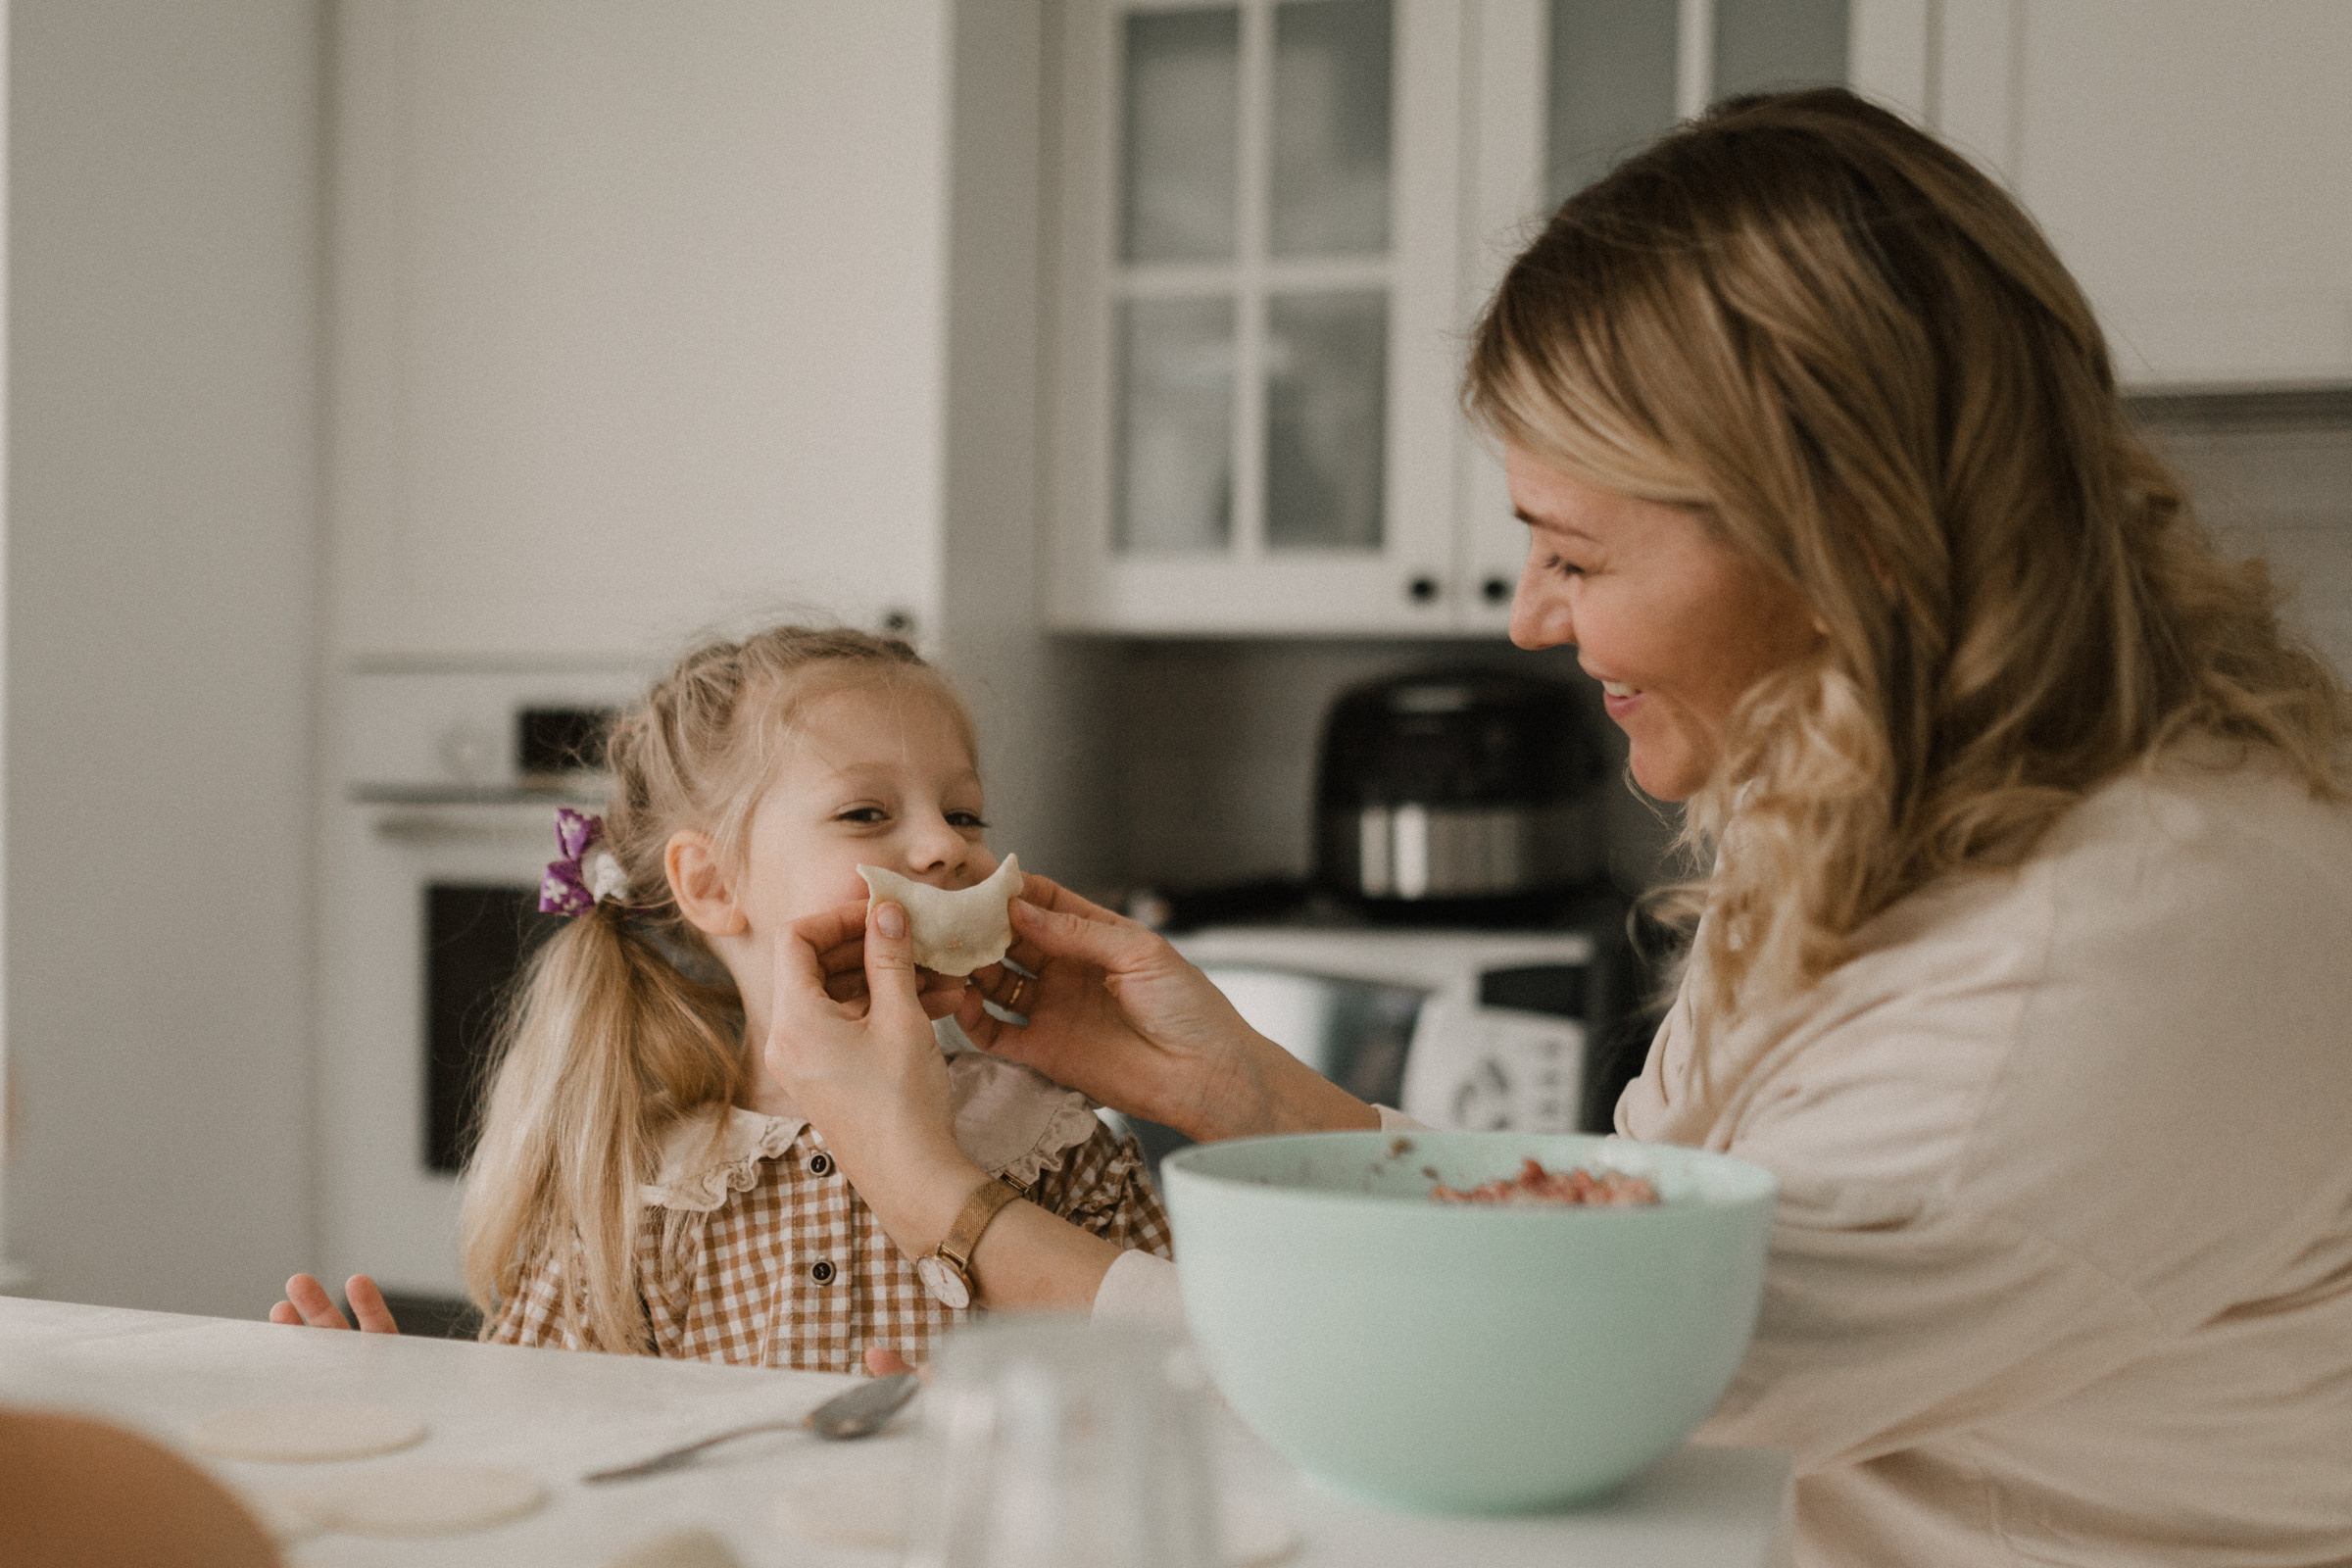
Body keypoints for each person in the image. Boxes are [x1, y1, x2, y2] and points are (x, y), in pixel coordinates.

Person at [760, 91, 2352, 1566]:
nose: (1526, 619)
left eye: (1574, 556)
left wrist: (941, 1203)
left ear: (1851, 537)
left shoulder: (2104, 953)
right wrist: (1241, 1091)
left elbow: (1544, 1389)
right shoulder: (1881, 820)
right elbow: (1598, 1251)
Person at [270, 624, 1170, 1370]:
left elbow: (1202, 1389)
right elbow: (544, 1456)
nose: (947, 847)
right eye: (866, 814)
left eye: (965, 813)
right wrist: (401, 1404)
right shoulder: (639, 1194)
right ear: (710, 885)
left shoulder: (1055, 1145)